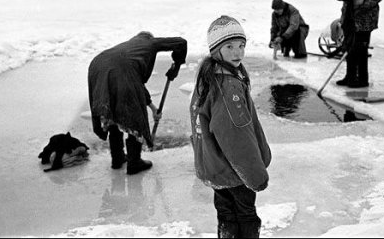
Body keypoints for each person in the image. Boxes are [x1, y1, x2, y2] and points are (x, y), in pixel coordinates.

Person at [190, 16, 271, 238]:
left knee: (226, 215)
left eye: (241, 46)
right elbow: (237, 138)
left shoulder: (208, 78)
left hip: (216, 168)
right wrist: (255, 176)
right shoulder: (228, 88)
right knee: (245, 215)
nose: (238, 53)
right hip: (235, 172)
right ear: (217, 50)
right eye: (229, 47)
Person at [88, 31, 187, 175]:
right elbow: (181, 42)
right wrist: (176, 65)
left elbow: (134, 83)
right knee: (134, 116)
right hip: (119, 71)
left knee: (111, 114)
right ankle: (134, 162)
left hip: (98, 68)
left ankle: (118, 158)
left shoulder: (128, 48)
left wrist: (153, 108)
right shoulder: (149, 42)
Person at [333, 0, 382, 88]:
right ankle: (350, 77)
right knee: (349, 47)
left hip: (366, 19)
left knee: (360, 49)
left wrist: (363, 0)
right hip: (348, 17)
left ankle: (362, 79)